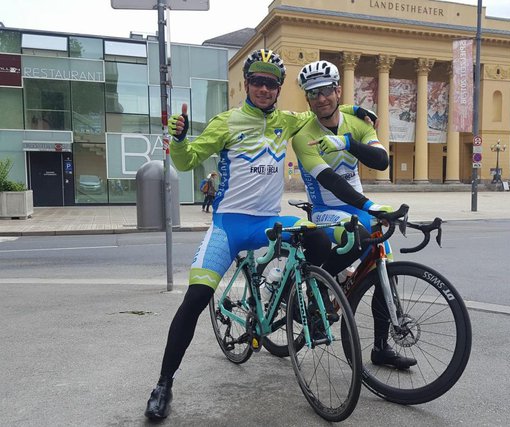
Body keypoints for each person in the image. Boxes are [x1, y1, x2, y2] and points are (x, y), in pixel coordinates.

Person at [145, 48, 387, 420]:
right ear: (247, 84)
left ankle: (301, 297)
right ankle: (163, 383)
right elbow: (187, 160)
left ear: (278, 88)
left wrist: (355, 111)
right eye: (257, 81)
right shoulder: (226, 122)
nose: (263, 88)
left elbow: (321, 110)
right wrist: (177, 140)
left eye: (271, 83)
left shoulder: (287, 121)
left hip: (267, 224)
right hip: (228, 226)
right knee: (194, 300)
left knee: (319, 239)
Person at [292, 60, 418, 371]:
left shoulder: (358, 124)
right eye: (312, 94)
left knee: (384, 267)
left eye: (325, 90)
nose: (320, 98)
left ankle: (380, 348)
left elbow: (381, 161)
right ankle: (315, 287)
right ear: (307, 99)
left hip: (358, 206)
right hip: (326, 209)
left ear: (337, 90)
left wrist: (349, 142)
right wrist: (371, 208)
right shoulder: (303, 135)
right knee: (360, 238)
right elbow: (332, 182)